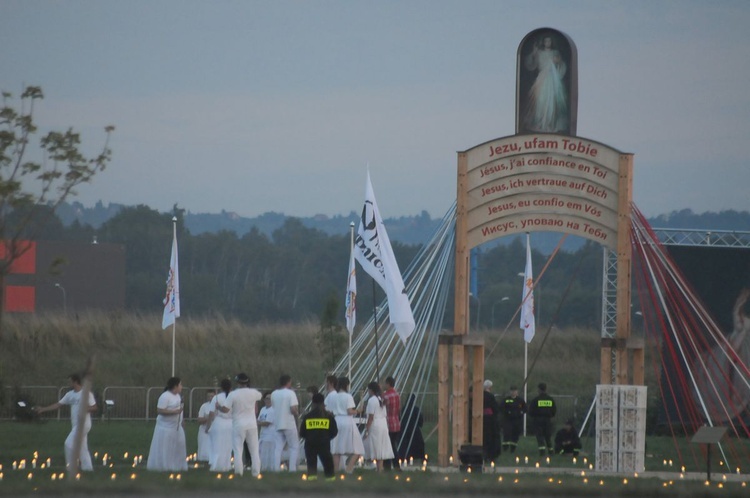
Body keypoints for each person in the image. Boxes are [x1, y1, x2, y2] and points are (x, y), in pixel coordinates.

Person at [34, 373, 97, 471]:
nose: (68, 383)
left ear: (75, 381)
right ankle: (88, 469)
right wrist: (43, 409)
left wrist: (86, 408)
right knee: (83, 448)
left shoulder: (86, 393)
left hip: (84, 424)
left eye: (70, 381)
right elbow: (58, 404)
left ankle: (71, 468)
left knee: (68, 443)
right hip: (75, 425)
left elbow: (94, 407)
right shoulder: (69, 394)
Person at [522, 34, 568, 133]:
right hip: (541, 79)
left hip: (552, 80)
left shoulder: (555, 52)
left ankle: (549, 124)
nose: (548, 43)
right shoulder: (539, 52)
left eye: (549, 41)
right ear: (543, 42)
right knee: (540, 101)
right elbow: (531, 64)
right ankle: (540, 122)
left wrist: (558, 62)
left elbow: (561, 65)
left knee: (551, 101)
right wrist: (534, 53)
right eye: (546, 41)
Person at [218, 373, 262, 476]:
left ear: (237, 382)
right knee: (254, 450)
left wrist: (218, 407)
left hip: (238, 424)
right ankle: (256, 472)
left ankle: (238, 472)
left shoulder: (233, 394)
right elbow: (259, 396)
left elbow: (225, 409)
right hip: (252, 424)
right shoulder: (253, 392)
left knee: (238, 449)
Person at [146, 377, 188, 471]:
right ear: (175, 386)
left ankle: (178, 465)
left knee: (179, 446)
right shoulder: (165, 396)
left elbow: (180, 410)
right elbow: (160, 410)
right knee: (166, 448)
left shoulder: (178, 396)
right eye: (180, 384)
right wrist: (175, 412)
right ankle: (164, 466)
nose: (181, 387)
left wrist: (182, 420)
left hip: (177, 427)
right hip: (166, 428)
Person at [299, 392, 338, 481]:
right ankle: (330, 481)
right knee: (328, 464)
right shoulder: (328, 416)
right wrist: (327, 438)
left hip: (310, 444)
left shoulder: (308, 417)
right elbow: (334, 431)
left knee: (311, 464)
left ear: (313, 403)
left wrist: (309, 437)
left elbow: (302, 433)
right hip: (324, 444)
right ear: (323, 402)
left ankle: (312, 481)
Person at [330, 376, 364, 473]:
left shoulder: (335, 396)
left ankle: (336, 471)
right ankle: (349, 469)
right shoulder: (348, 396)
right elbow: (349, 411)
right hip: (347, 421)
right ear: (346, 385)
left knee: (336, 449)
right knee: (358, 448)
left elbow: (332, 411)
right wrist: (358, 411)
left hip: (336, 421)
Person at [271, 374, 300, 471]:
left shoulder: (274, 393)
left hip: (278, 423)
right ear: (288, 382)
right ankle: (292, 469)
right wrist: (297, 413)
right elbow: (293, 409)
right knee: (294, 446)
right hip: (289, 423)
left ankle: (276, 468)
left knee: (278, 447)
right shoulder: (291, 393)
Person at [364, 381, 394, 472]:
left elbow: (371, 417)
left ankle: (379, 468)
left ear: (371, 390)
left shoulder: (372, 400)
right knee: (380, 447)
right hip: (383, 424)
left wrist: (367, 429)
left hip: (376, 424)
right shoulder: (381, 399)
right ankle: (379, 469)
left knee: (376, 446)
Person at [210, 378, 233, 472]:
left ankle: (216, 465)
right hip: (231, 424)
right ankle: (226, 465)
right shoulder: (233, 397)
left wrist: (208, 426)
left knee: (217, 445)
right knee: (228, 445)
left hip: (219, 422)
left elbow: (212, 413)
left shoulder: (217, 397)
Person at [528, 382, 557, 457]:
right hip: (547, 420)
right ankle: (550, 451)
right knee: (547, 436)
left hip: (538, 420)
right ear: (546, 389)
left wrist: (534, 416)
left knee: (540, 436)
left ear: (539, 390)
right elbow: (554, 410)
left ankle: (542, 451)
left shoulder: (536, 400)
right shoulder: (550, 399)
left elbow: (531, 411)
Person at [398, 394, 425, 463]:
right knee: (419, 442)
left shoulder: (404, 408)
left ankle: (404, 457)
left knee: (404, 443)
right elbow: (420, 420)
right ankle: (419, 457)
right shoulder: (415, 409)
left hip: (404, 430)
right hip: (414, 430)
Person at [382, 376, 401, 471]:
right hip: (396, 423)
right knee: (393, 445)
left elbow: (381, 406)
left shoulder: (386, 396)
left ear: (388, 384)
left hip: (388, 423)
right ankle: (396, 465)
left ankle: (387, 466)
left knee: (388, 446)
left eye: (385, 383)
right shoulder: (397, 394)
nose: (384, 385)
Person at [501, 385, 526, 454]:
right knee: (507, 433)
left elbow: (525, 408)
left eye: (514, 391)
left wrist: (521, 412)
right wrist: (507, 412)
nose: (513, 392)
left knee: (515, 434)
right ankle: (505, 447)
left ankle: (513, 448)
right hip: (508, 420)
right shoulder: (506, 400)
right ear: (510, 392)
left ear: (517, 392)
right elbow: (502, 408)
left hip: (517, 420)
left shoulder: (520, 400)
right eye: (512, 391)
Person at [482, 379, 501, 463]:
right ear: (490, 387)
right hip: (490, 419)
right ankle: (492, 455)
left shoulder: (480, 395)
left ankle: (484, 455)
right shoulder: (490, 396)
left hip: (482, 419)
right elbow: (495, 408)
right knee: (492, 437)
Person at [257, 391, 276, 472]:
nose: (268, 400)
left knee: (270, 454)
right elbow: (259, 420)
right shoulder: (263, 409)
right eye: (266, 398)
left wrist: (259, 423)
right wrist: (259, 423)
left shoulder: (273, 409)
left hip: (271, 436)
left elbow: (267, 423)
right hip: (263, 435)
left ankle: (271, 469)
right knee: (262, 453)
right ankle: (263, 468)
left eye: (270, 399)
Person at [196, 390, 215, 462]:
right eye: (209, 396)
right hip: (204, 430)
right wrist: (208, 418)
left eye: (212, 396)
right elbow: (199, 420)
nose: (210, 398)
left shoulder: (218, 406)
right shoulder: (204, 406)